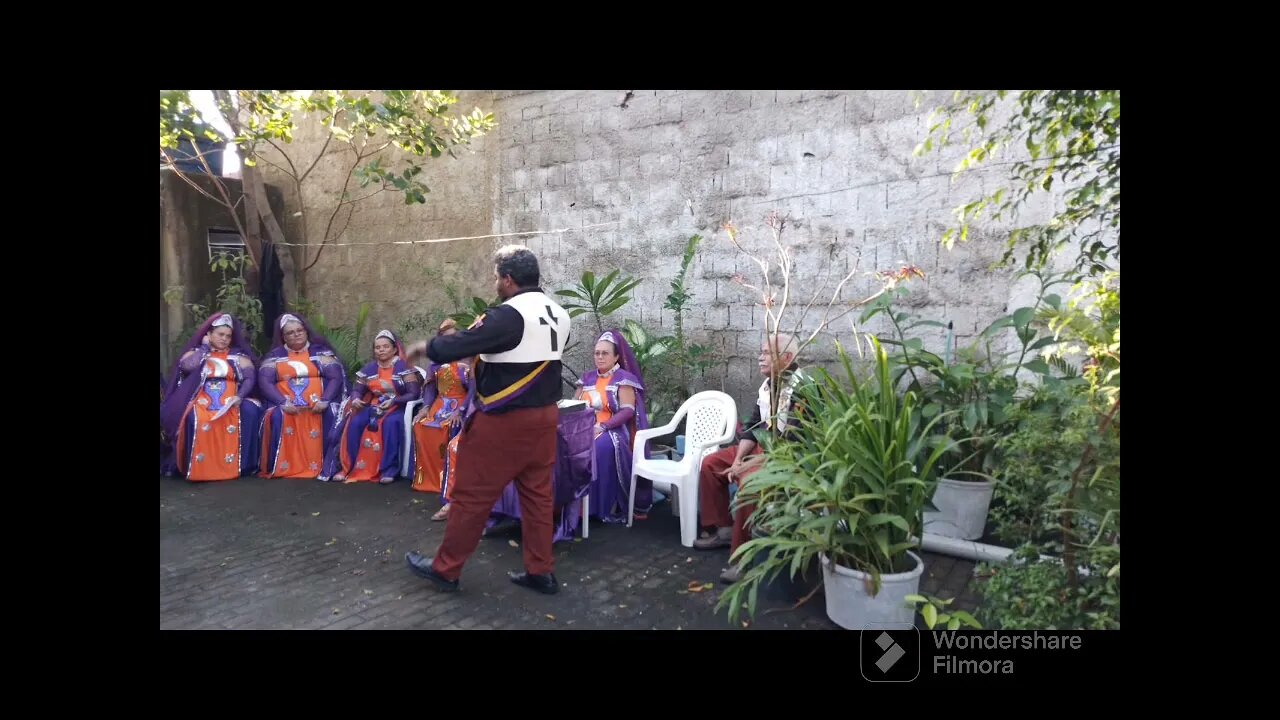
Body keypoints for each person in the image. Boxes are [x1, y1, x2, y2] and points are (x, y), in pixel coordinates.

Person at [404, 244, 571, 595]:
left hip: (504, 422)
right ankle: (541, 571)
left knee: (471, 497)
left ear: (508, 280)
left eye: (496, 277)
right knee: (538, 497)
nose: (494, 283)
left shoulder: (508, 315)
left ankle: (445, 569)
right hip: (545, 418)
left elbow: (460, 344)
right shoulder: (559, 313)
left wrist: (426, 347)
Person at [695, 333, 805, 583]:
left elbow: (793, 443)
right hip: (762, 447)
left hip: (786, 456)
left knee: (748, 486)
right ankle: (723, 529)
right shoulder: (767, 385)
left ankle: (744, 558)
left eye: (767, 353)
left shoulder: (802, 389)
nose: (760, 357)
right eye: (761, 352)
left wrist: (749, 465)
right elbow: (754, 425)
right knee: (711, 464)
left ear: (786, 358)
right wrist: (738, 460)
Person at [160, 313, 263, 481]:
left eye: (228, 336)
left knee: (250, 410)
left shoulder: (238, 356)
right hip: (201, 398)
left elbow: (250, 378)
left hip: (232, 397)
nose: (224, 339)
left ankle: (243, 466)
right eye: (220, 334)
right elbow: (187, 367)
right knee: (195, 417)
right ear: (208, 334)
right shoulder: (195, 353)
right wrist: (205, 349)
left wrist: (239, 396)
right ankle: (196, 466)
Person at [574, 328, 652, 523]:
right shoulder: (587, 378)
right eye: (597, 353)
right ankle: (571, 506)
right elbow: (574, 405)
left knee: (600, 448)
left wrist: (604, 426)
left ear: (616, 356)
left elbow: (627, 411)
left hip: (613, 429)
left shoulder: (623, 379)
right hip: (584, 428)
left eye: (605, 353)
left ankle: (599, 507)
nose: (600, 357)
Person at [257, 313, 346, 480]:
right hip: (286, 406)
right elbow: (265, 381)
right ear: (283, 337)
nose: (296, 334)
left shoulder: (321, 353)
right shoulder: (275, 357)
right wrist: (282, 402)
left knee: (332, 414)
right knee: (276, 416)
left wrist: (325, 400)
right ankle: (283, 467)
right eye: (290, 332)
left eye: (300, 330)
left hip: (319, 405)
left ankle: (329, 467)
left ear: (306, 332)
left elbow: (336, 377)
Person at [324, 329, 420, 484]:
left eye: (385, 347)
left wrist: (395, 401)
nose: (381, 350)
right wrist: (355, 399)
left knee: (391, 423)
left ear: (395, 349)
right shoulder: (369, 369)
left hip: (398, 406)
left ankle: (389, 469)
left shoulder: (404, 367)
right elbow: (357, 390)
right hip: (373, 406)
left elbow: (414, 393)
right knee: (355, 422)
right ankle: (349, 467)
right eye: (377, 347)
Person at [408, 319, 473, 522]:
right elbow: (430, 389)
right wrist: (425, 407)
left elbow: (473, 389)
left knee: (450, 426)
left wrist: (461, 411)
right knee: (421, 424)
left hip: (460, 404)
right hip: (439, 404)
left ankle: (447, 481)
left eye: (454, 336)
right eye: (447, 338)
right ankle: (425, 479)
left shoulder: (469, 361)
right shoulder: (435, 364)